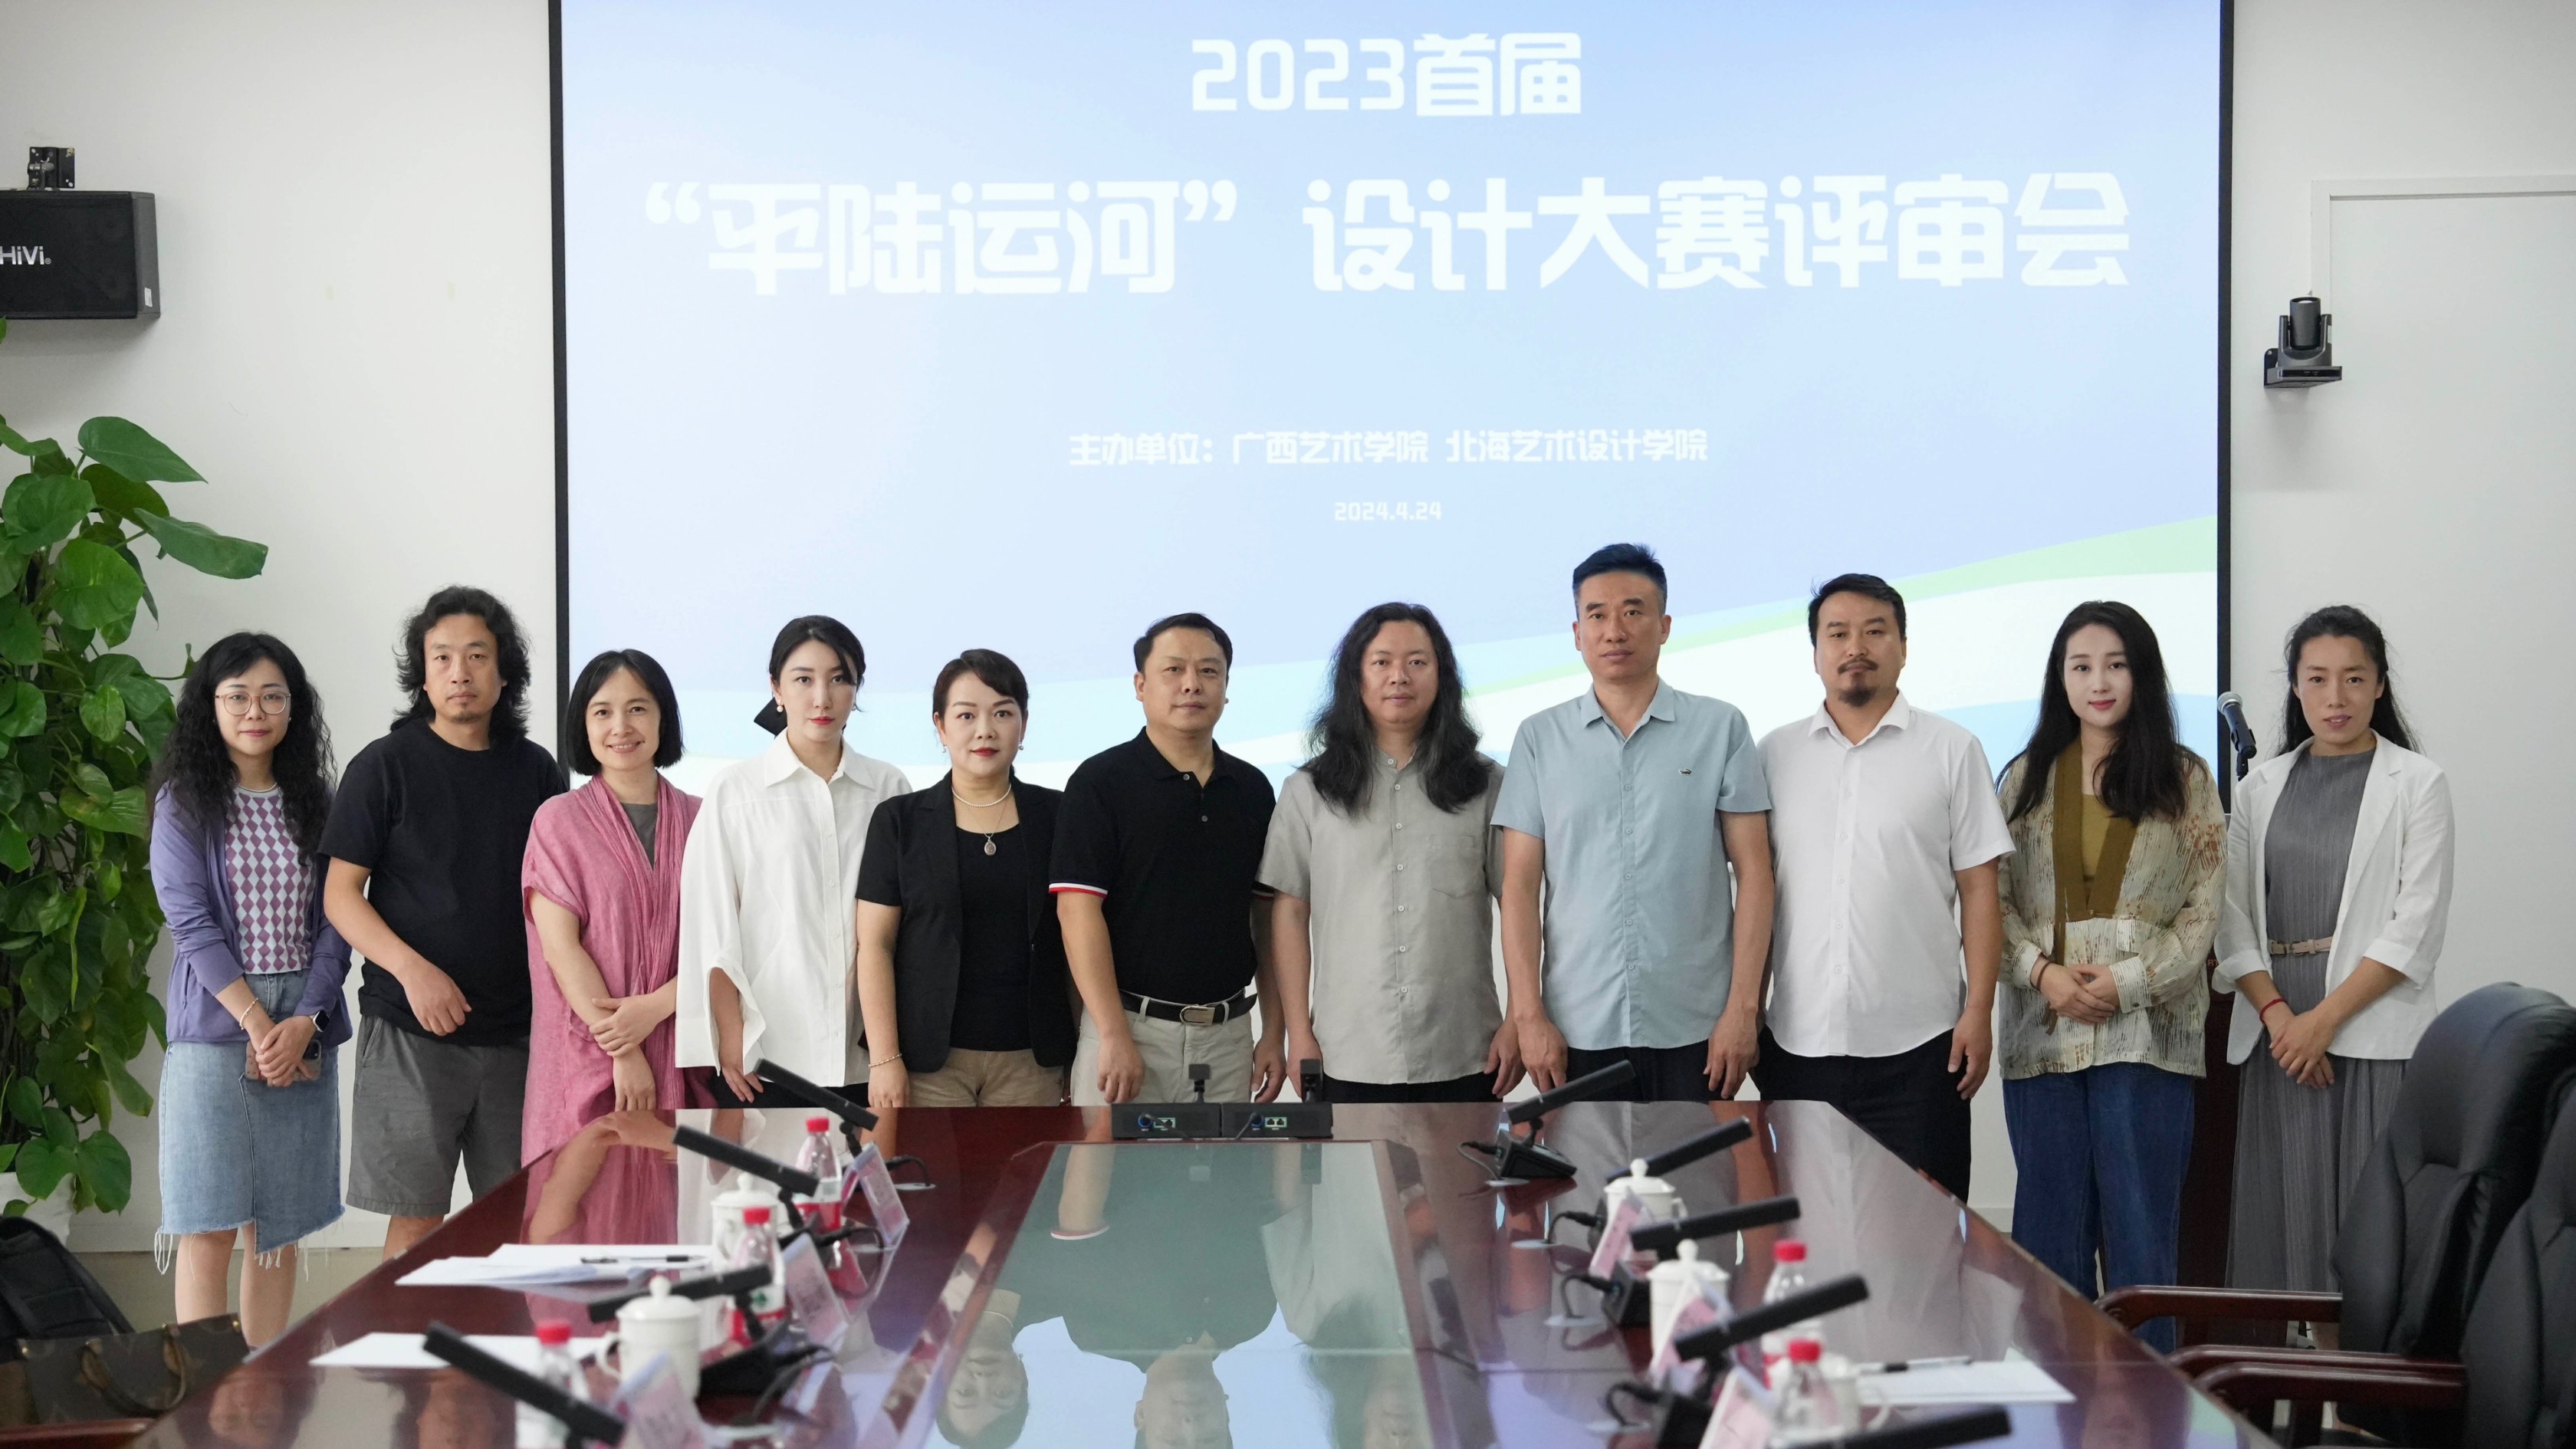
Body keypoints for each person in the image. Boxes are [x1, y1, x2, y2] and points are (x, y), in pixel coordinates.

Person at [1994, 603, 2224, 1349]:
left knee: (2142, 1246)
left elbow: (2204, 909)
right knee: (2047, 1245)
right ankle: (2056, 1401)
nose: (2099, 682)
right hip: (2043, 1037)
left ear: (2142, 674)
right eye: (2082, 666)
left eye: (2116, 665)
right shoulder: (2023, 779)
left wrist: (2127, 983)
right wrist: (2042, 974)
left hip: (2149, 1041)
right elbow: (1989, 901)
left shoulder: (2186, 778)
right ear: (2059, 678)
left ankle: (2152, 1404)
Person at [323, 588, 566, 1260]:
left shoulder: (537, 771)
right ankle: (404, 1337)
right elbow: (341, 895)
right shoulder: (384, 766)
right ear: (423, 675)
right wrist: (413, 971)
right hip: (411, 1030)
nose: (460, 672)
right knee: (414, 1223)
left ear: (504, 673)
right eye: (443, 657)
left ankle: (507, 1334)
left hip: (520, 1036)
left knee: (519, 1221)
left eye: (477, 656)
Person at [2217, 606, 2453, 1292]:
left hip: (2366, 1025)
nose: (2335, 697)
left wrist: (2321, 1023)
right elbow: (2232, 918)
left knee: (2365, 1231)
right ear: (2295, 687)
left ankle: (2355, 1368)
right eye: (2317, 679)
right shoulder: (2259, 787)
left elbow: (2416, 925)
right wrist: (2282, 1020)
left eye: (2354, 678)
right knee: (2283, 1219)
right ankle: (2288, 1362)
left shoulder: (2419, 783)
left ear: (2379, 685)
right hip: (2279, 1031)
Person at [1756, 573, 2013, 1201]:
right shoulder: (1773, 755)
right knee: (1806, 1231)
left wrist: (1978, 1011)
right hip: (1797, 1046)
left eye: (1875, 631)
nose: (1856, 648)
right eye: (1837, 633)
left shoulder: (1952, 749)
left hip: (1921, 1052)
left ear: (1903, 646)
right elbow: (1756, 895)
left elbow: (1980, 890)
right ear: (1815, 652)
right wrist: (1745, 1012)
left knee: (1922, 1235)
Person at [1493, 544, 1776, 1102]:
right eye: (1597, 615)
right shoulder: (1539, 738)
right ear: (1577, 633)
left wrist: (1744, 1011)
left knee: (1693, 1162)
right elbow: (1520, 886)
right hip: (1576, 1026)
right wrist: (1528, 1016)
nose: (1614, 631)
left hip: (1696, 1025)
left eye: (1633, 611)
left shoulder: (1719, 728)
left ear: (1664, 626)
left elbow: (1756, 874)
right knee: (1579, 1164)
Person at [150, 633, 350, 1346]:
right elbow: (190, 922)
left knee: (276, 1230)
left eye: (271, 697)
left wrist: (306, 1019)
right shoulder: (183, 802)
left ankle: (263, 1384)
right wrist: (262, 1027)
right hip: (217, 1025)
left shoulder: (318, 801)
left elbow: (340, 917)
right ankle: (207, 1392)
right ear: (210, 707)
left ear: (295, 709)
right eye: (236, 696)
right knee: (208, 1223)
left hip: (304, 1019)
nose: (254, 711)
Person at [1262, 603, 1516, 1102]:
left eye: (1417, 662)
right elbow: (1289, 912)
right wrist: (1299, 1033)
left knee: (1469, 1160)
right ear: (1355, 677)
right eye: (1381, 662)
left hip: (1465, 1047)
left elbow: (1518, 902)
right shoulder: (1309, 790)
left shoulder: (1486, 784)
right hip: (1347, 1050)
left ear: (1442, 676)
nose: (1399, 676)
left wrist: (1518, 1019)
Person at [1052, 613, 1283, 1105]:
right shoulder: (1100, 783)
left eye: (1209, 671)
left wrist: (1274, 1030)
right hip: (1129, 1032)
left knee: (1225, 1162)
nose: (1191, 685)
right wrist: (1112, 1033)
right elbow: (1077, 912)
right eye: (1173, 670)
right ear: (1140, 685)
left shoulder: (1252, 789)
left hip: (1228, 1039)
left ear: (1226, 687)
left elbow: (1265, 918)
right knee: (1106, 1159)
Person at [677, 616, 909, 1104]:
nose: (821, 698)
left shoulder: (889, 789)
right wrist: (731, 1036)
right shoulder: (736, 791)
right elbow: (711, 925)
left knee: (873, 1160)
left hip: (869, 1056)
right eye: (803, 680)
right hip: (768, 1055)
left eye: (839, 679)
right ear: (776, 689)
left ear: (856, 689)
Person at [854, 649, 1073, 1108]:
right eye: (966, 715)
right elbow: (875, 945)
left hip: (1032, 1063)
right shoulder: (900, 821)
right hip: (927, 1065)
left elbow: (1078, 936)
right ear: (940, 726)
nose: (985, 730)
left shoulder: (1059, 816)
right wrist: (884, 1059)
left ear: (1024, 725)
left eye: (1002, 713)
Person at [520, 649, 705, 1162]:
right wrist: (624, 1050)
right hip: (586, 1056)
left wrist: (656, 1007)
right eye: (602, 711)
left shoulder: (705, 820)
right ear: (583, 725)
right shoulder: (558, 820)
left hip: (682, 1051)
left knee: (674, 1199)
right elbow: (561, 949)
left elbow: (725, 947)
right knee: (578, 1199)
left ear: (664, 717)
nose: (621, 726)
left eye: (638, 708)